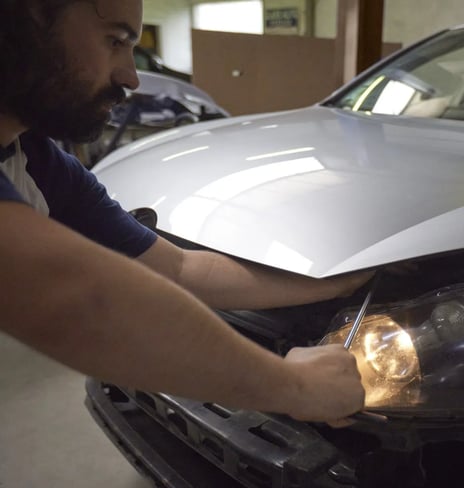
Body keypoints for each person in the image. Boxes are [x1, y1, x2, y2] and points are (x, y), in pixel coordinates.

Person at [0, 0, 368, 423]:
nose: (131, 77)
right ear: (25, 19)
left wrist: (336, 282)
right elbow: (75, 293)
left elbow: (178, 268)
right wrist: (295, 387)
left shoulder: (36, 161)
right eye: (115, 41)